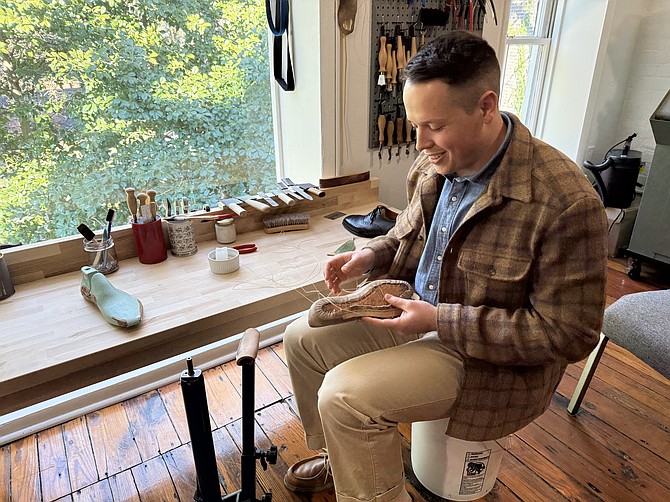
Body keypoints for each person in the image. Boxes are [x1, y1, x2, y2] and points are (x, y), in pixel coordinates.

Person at [282, 30, 608, 502]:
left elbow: (570, 334)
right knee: (301, 340)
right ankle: (343, 461)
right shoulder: (436, 165)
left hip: (487, 361)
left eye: (433, 125)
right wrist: (370, 256)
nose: (420, 143)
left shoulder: (565, 202)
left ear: (486, 106)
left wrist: (439, 319)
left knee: (345, 396)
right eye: (415, 125)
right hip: (417, 312)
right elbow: (406, 234)